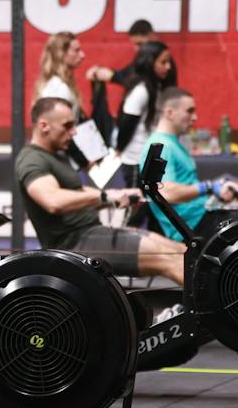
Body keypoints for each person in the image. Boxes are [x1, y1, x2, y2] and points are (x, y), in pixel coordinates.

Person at [17, 96, 186, 285]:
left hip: (92, 233)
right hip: (73, 245)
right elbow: (53, 201)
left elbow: (77, 194)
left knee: (181, 251)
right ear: (43, 126)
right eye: (67, 125)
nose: (74, 131)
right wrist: (105, 196)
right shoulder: (31, 159)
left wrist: (116, 197)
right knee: (169, 258)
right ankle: (206, 304)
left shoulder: (56, 156)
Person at [148, 87, 238, 242]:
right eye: (189, 111)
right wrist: (208, 187)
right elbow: (166, 192)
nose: (195, 117)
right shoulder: (161, 145)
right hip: (190, 227)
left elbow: (186, 184)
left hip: (201, 216)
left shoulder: (172, 143)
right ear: (169, 113)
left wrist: (217, 189)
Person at [113, 40, 176, 184]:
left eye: (169, 62)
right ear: (149, 63)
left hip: (149, 157)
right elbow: (127, 124)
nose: (168, 67)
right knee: (137, 197)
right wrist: (119, 149)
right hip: (135, 159)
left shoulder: (157, 87)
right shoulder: (141, 91)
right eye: (163, 62)